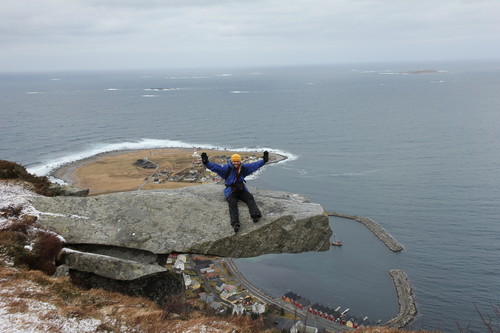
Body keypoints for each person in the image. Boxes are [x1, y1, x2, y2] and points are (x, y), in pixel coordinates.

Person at [201, 151, 269, 233]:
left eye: (237, 161)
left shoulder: (243, 167)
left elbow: (254, 165)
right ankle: (235, 223)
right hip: (231, 190)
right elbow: (216, 167)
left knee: (249, 198)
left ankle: (255, 215)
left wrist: (264, 160)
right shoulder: (227, 168)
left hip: (241, 189)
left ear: (240, 161)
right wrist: (206, 162)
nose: (236, 163)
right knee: (232, 203)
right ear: (231, 161)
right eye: (234, 161)